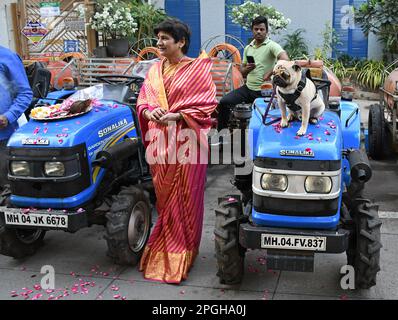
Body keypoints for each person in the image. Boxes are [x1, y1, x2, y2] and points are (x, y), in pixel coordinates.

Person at [136, 19, 218, 284]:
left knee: (185, 199)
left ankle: (184, 252)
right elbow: (143, 100)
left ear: (181, 42)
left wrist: (176, 115)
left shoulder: (197, 70)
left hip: (187, 143)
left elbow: (206, 107)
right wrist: (150, 112)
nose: (159, 43)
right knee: (165, 199)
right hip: (160, 144)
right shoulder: (154, 71)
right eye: (158, 37)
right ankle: (163, 247)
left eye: (165, 39)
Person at [217, 16, 289, 129]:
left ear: (266, 31)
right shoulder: (248, 48)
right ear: (252, 30)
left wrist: (270, 72)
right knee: (224, 102)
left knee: (263, 120)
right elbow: (242, 71)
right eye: (256, 29)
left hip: (265, 91)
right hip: (248, 89)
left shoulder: (272, 46)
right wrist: (247, 69)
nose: (259, 32)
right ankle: (222, 136)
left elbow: (285, 59)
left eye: (262, 29)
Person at [0, 46, 33, 189]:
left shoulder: (7, 57)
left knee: (8, 189)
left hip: (3, 139)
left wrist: (8, 116)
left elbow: (24, 93)